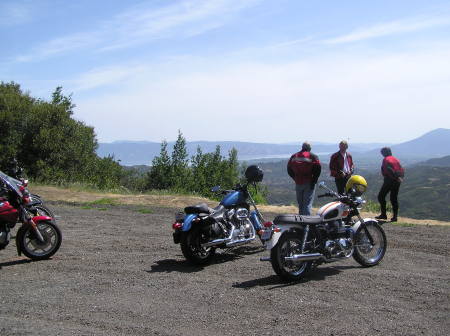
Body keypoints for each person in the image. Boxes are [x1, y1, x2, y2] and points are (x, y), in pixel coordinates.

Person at [287, 142, 321, 215]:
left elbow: (289, 169)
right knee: (307, 204)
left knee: (301, 204)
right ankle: (306, 223)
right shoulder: (313, 156)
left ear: (302, 147)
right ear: (310, 148)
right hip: (309, 182)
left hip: (298, 182)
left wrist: (295, 178)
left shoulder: (294, 156)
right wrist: (314, 181)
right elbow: (318, 169)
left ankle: (301, 223)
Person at [376, 147, 404, 222]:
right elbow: (401, 169)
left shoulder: (386, 159)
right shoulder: (395, 159)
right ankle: (395, 217)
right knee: (393, 198)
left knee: (381, 196)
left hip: (390, 180)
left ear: (385, 153)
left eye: (382, 153)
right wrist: (399, 178)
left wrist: (393, 177)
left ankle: (383, 214)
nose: (382, 154)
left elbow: (388, 169)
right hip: (397, 181)